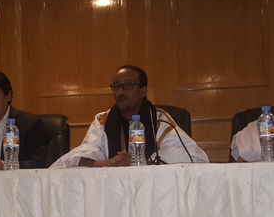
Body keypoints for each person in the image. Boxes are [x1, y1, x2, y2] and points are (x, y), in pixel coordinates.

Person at [51, 65, 209, 167]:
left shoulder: (159, 120)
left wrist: (141, 163)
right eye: (116, 86)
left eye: (128, 85)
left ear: (143, 91)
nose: (120, 92)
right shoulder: (103, 120)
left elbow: (192, 156)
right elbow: (86, 153)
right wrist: (111, 162)